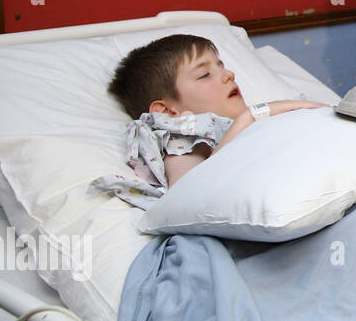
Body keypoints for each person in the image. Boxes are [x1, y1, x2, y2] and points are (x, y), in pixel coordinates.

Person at [101, 34, 323, 204]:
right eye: (204, 75)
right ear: (167, 112)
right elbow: (186, 197)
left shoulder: (245, 124)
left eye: (221, 66)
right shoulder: (183, 134)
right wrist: (250, 117)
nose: (229, 75)